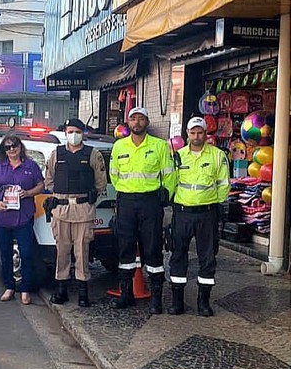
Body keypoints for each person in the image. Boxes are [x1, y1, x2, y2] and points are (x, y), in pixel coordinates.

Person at [109, 107, 176, 314]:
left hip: (150, 203)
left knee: (153, 249)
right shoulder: (119, 146)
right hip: (127, 203)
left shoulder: (159, 146)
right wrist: (126, 191)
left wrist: (167, 195)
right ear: (128, 123)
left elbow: (169, 175)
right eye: (133, 119)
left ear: (147, 122)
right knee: (125, 248)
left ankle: (156, 299)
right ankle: (126, 294)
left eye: (141, 119)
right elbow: (114, 174)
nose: (137, 122)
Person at [168, 117, 230, 317]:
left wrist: (212, 202)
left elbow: (224, 184)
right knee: (178, 255)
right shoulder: (178, 156)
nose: (196, 136)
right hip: (183, 213)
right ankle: (177, 302)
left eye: (200, 132)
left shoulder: (218, 156)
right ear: (187, 133)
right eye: (193, 132)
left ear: (206, 134)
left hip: (207, 213)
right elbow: (171, 182)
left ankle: (203, 302)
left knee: (208, 257)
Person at [45, 118, 107, 307]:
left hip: (82, 209)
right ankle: (61, 290)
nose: (73, 135)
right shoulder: (57, 153)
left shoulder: (93, 154)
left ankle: (83, 292)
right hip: (62, 209)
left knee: (82, 252)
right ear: (65, 133)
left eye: (76, 131)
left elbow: (100, 182)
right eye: (70, 131)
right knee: (62, 251)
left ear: (83, 133)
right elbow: (49, 179)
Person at [0, 135, 44, 305]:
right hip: (3, 216)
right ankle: (9, 286)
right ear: (4, 150)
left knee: (26, 253)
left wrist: (28, 193)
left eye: (14, 146)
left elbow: (41, 185)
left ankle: (25, 289)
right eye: (8, 147)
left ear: (20, 146)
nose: (12, 149)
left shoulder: (30, 166)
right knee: (5, 254)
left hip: (23, 216)